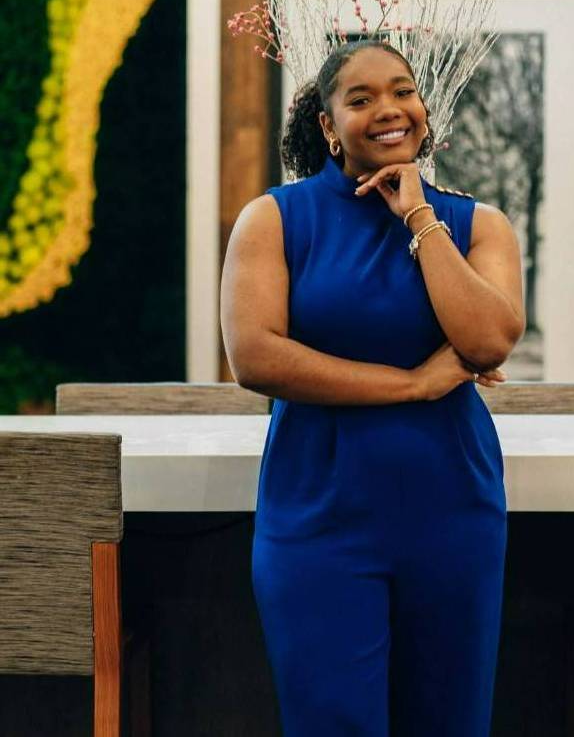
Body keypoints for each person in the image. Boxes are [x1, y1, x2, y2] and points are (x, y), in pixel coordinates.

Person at [220, 39, 525, 736]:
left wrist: (419, 217)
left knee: (449, 722)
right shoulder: (275, 218)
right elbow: (255, 355)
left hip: (453, 511)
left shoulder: (479, 225)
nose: (389, 110)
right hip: (317, 520)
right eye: (360, 100)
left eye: (402, 91)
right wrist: (414, 385)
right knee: (332, 723)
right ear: (328, 126)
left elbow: (486, 340)